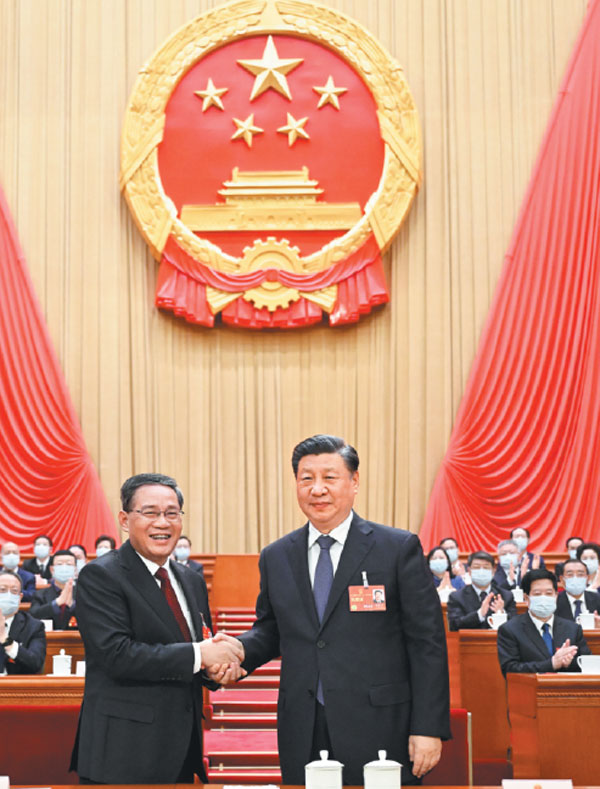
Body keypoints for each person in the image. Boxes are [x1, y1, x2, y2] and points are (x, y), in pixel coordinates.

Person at [236, 435, 450, 785]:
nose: (317, 489)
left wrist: (428, 727)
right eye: (307, 478)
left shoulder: (396, 549)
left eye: (329, 477)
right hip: (304, 725)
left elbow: (427, 643)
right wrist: (235, 653)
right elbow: (271, 631)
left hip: (380, 724)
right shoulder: (276, 556)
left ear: (354, 482)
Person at [70, 472, 245, 784]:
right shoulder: (101, 576)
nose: (162, 523)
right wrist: (201, 655)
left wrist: (214, 669)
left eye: (172, 513)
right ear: (125, 520)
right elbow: (117, 655)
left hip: (179, 749)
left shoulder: (190, 579)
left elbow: (195, 643)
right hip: (123, 754)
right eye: (149, 512)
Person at [497, 568, 591, 676]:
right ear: (526, 598)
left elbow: (586, 665)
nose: (544, 598)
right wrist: (551, 664)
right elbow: (510, 669)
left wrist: (568, 662)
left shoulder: (573, 629)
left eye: (548, 593)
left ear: (556, 596)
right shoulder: (510, 629)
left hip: (567, 690)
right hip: (529, 691)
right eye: (537, 594)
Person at [447, 551, 516, 631]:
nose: (481, 571)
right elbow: (454, 625)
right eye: (476, 567)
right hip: (470, 642)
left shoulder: (506, 596)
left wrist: (502, 614)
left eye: (486, 567)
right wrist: (479, 614)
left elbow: (515, 625)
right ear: (469, 571)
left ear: (493, 571)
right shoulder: (456, 597)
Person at [0, 570, 46, 674]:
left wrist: (6, 640)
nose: (8, 595)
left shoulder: (34, 626)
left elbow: (35, 663)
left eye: (14, 591)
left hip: (14, 687)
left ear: (20, 598)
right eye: (2, 590)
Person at [30, 550, 78, 630]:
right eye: (59, 564)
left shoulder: (84, 593)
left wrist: (72, 606)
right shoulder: (40, 594)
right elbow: (33, 614)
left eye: (69, 564)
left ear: (75, 570)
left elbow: (91, 617)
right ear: (52, 570)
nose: (64, 567)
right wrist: (57, 603)